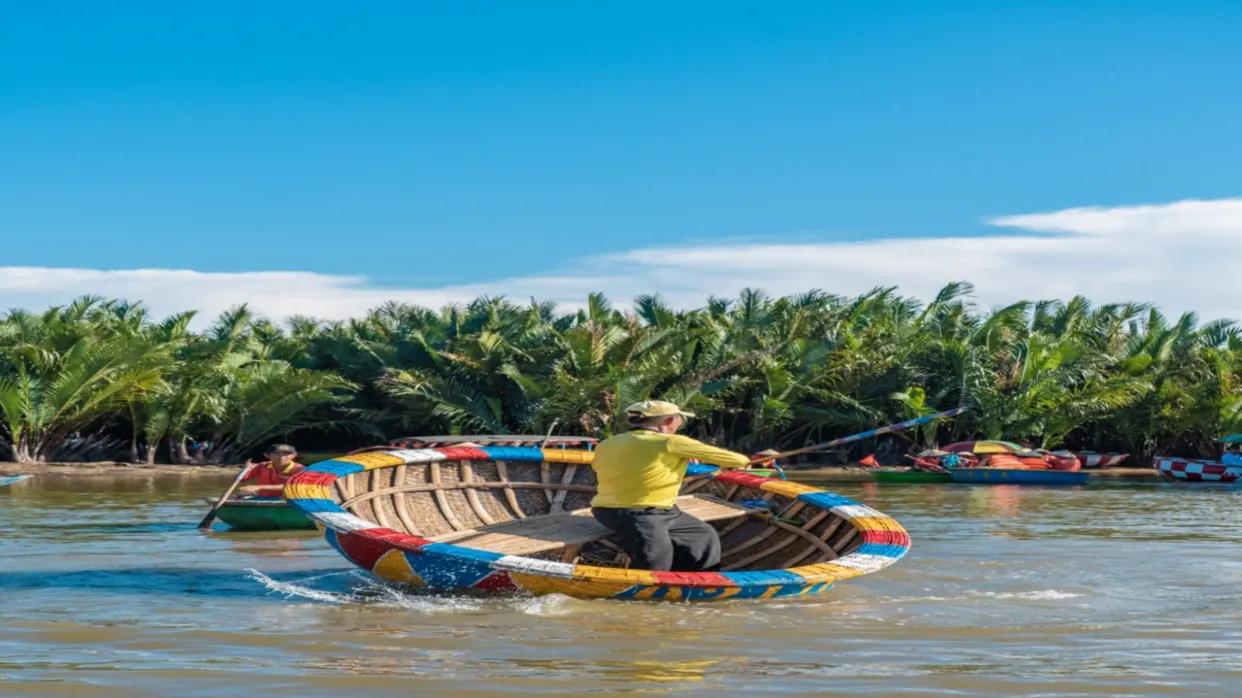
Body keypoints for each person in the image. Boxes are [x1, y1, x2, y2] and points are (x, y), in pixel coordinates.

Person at [590, 400, 750, 572]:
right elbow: (739, 460)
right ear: (668, 420)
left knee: (703, 536)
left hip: (618, 510)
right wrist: (723, 465)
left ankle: (696, 581)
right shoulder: (671, 442)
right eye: (679, 418)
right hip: (638, 512)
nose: (680, 422)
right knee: (655, 560)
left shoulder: (608, 443)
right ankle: (645, 588)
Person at [238, 444, 305, 496]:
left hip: (290, 501)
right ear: (266, 455)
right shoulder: (262, 466)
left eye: (286, 454)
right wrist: (245, 469)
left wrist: (259, 487)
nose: (282, 457)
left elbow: (293, 486)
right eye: (276, 454)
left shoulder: (300, 469)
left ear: (294, 455)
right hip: (264, 499)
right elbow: (241, 478)